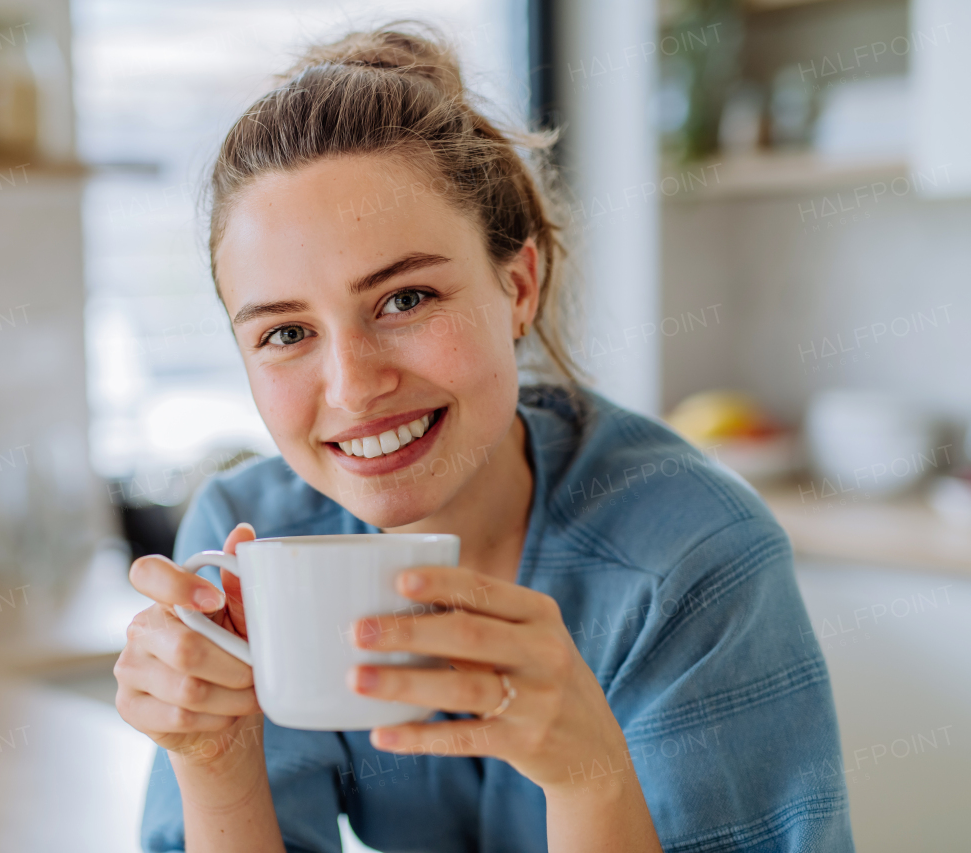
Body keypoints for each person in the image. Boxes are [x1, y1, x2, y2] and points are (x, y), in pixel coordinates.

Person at [115, 23, 854, 853]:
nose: (354, 386)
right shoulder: (248, 544)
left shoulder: (690, 559)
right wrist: (214, 761)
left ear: (518, 287)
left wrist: (588, 778)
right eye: (286, 333)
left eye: (405, 299)